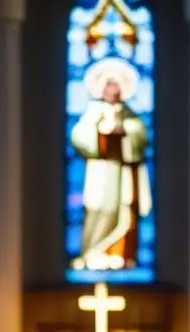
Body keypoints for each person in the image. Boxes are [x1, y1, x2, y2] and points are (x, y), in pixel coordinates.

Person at [69, 63, 152, 272]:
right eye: (109, 85)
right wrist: (100, 133)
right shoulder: (93, 112)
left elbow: (140, 136)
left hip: (124, 173)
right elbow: (79, 136)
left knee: (124, 212)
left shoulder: (129, 114)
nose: (112, 90)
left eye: (116, 86)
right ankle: (93, 253)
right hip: (100, 171)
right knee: (100, 209)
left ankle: (119, 255)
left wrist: (123, 129)